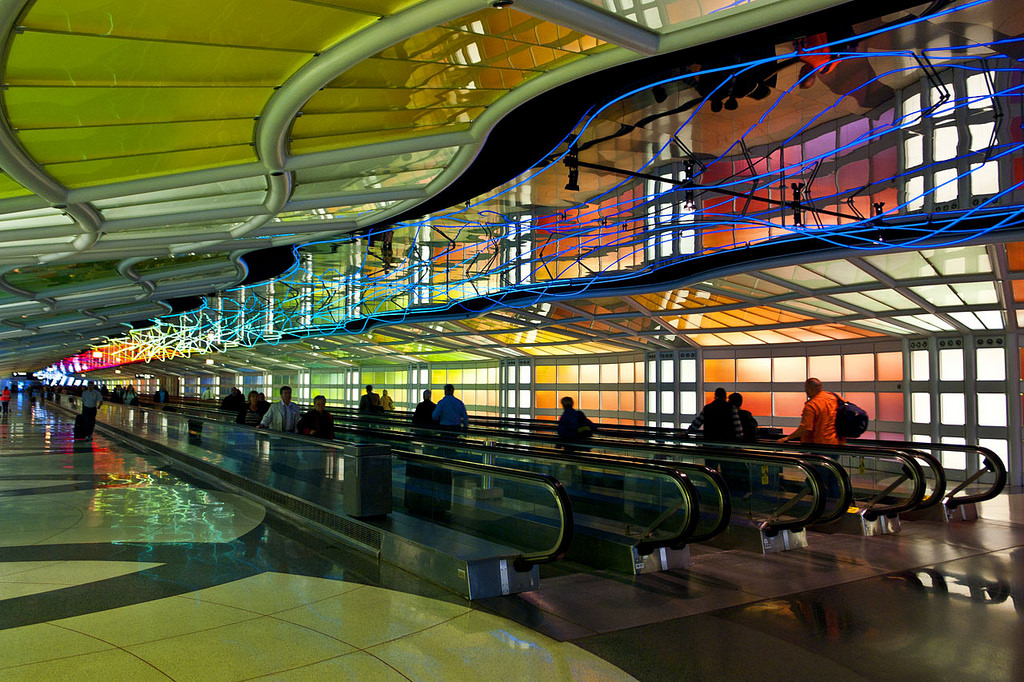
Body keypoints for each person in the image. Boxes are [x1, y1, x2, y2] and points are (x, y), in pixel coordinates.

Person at [779, 377, 844, 445]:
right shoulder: (834, 397)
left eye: (806, 389)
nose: (806, 391)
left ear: (810, 389)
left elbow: (805, 429)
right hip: (837, 442)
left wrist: (787, 438)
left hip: (819, 443)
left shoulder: (812, 405)